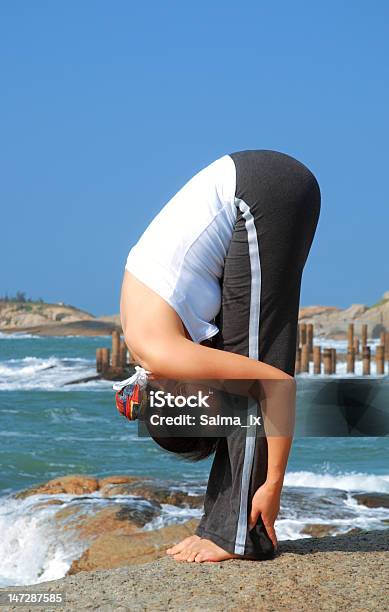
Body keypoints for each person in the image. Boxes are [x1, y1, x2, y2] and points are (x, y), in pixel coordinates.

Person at [119, 149, 321, 563]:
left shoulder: (164, 353)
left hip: (256, 195)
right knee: (245, 371)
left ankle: (238, 535)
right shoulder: (149, 353)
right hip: (258, 185)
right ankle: (225, 523)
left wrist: (274, 485)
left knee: (255, 371)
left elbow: (277, 384)